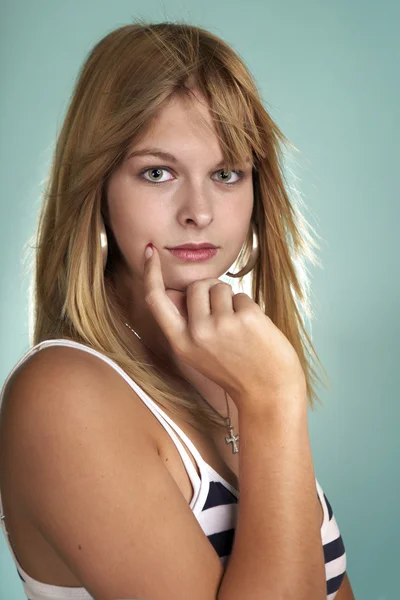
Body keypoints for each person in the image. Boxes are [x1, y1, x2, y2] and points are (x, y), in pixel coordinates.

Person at [0, 21, 354, 600]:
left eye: (226, 173)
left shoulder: (230, 366)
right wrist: (272, 404)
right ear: (96, 187)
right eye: (157, 172)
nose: (199, 210)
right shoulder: (63, 396)